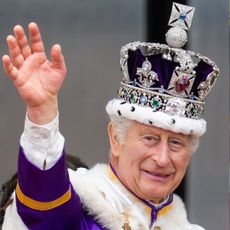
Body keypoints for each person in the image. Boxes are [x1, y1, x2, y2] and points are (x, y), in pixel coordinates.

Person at [1, 3, 219, 230]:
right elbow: (45, 213)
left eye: (176, 143)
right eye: (150, 138)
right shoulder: (81, 209)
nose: (162, 159)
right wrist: (42, 111)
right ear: (116, 139)